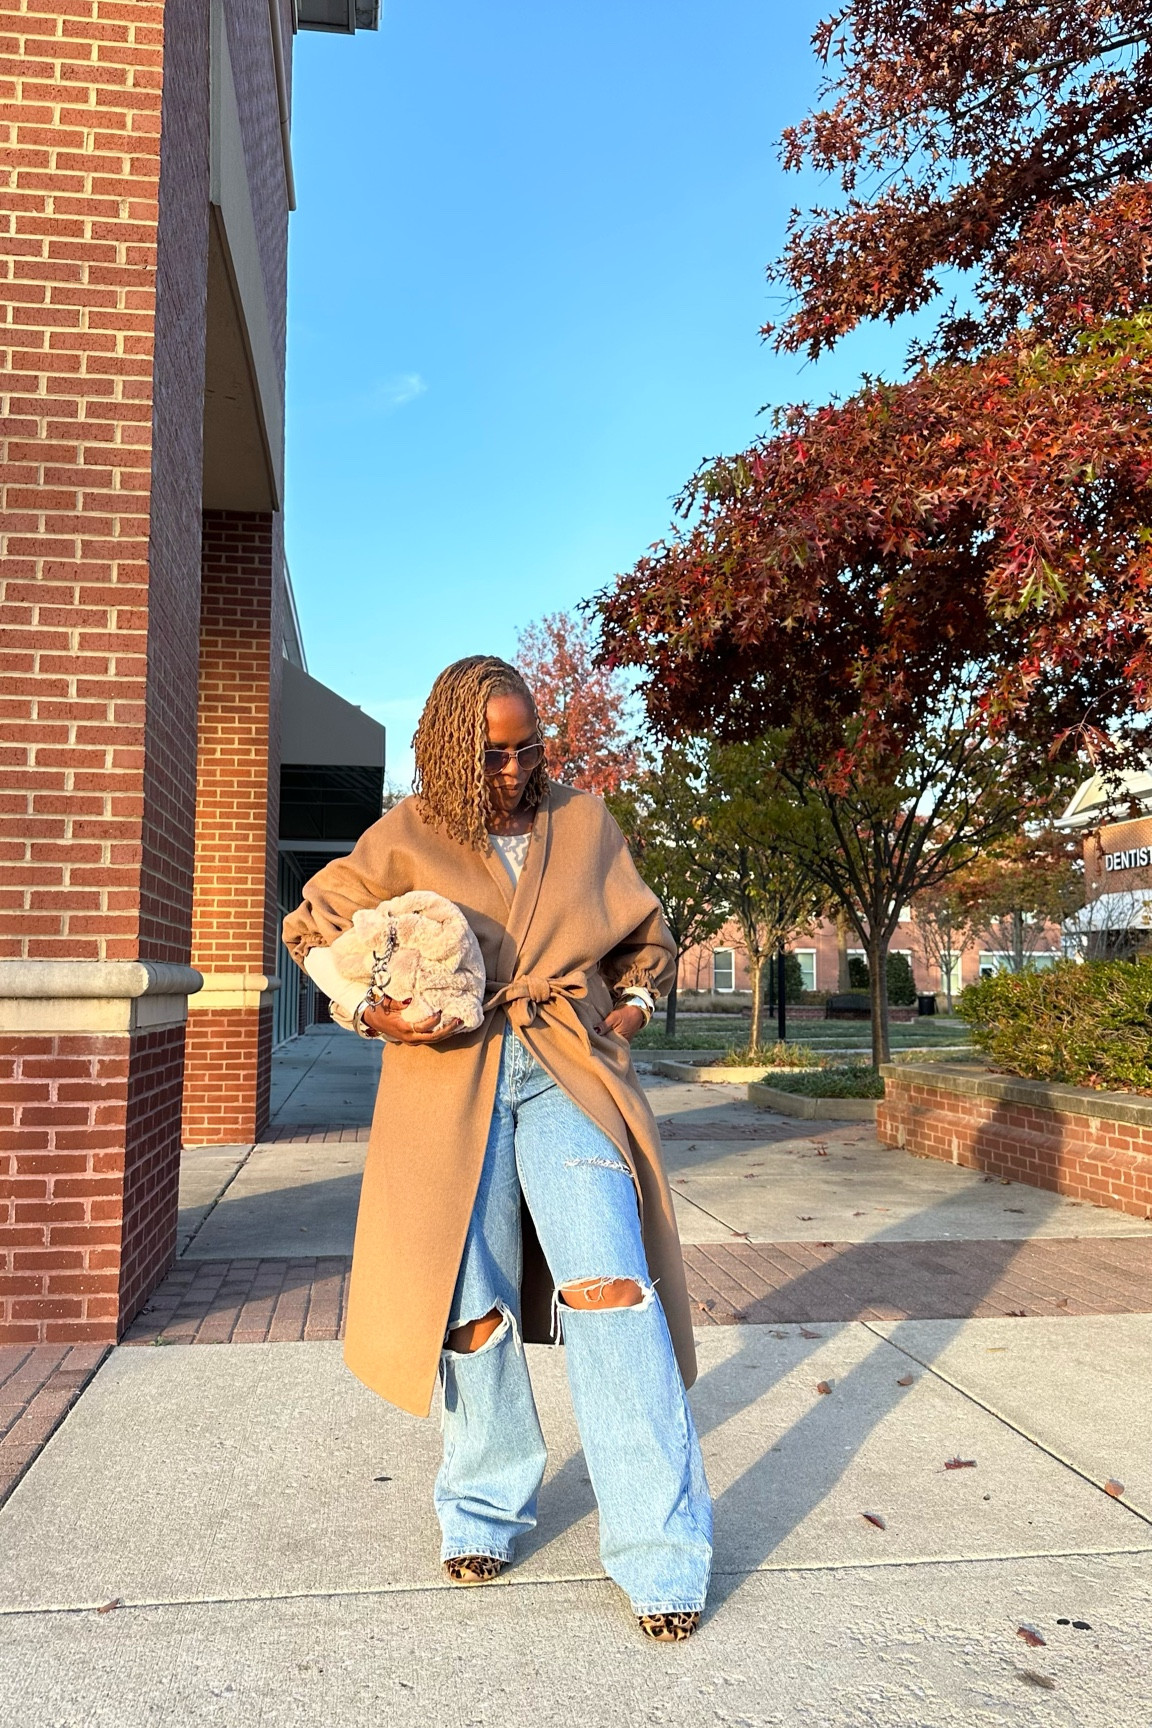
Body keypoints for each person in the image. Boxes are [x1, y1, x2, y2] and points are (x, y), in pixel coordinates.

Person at [282, 655, 712, 1640]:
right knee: (468, 1306)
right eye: (490, 755)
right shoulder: (409, 832)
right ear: (446, 747)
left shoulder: (586, 822)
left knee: (612, 1291)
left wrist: (634, 1005)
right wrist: (369, 1011)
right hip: (448, 1080)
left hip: (565, 1066)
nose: (513, 772)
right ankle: (482, 1507)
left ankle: (663, 1553)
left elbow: (640, 937)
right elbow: (312, 925)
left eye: (525, 750)